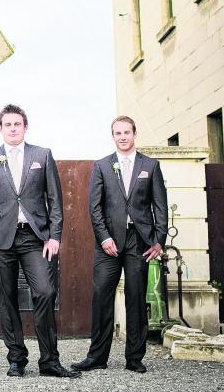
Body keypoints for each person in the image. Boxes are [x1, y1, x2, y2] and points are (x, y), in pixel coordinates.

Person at [0, 104, 79, 379]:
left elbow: (55, 200)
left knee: (44, 292)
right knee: (7, 299)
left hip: (35, 237)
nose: (13, 129)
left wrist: (54, 236)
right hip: (1, 239)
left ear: (25, 127)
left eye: (17, 124)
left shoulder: (42, 155)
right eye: (7, 125)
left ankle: (50, 361)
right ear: (1, 128)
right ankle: (17, 358)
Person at [72, 116, 167, 374]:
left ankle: (134, 358)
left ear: (135, 133)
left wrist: (159, 240)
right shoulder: (102, 165)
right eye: (117, 133)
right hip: (109, 244)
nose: (122, 137)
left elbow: (160, 205)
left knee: (136, 299)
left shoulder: (151, 165)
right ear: (112, 136)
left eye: (126, 132)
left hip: (139, 241)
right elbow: (95, 207)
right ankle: (97, 357)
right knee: (102, 297)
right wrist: (103, 237)